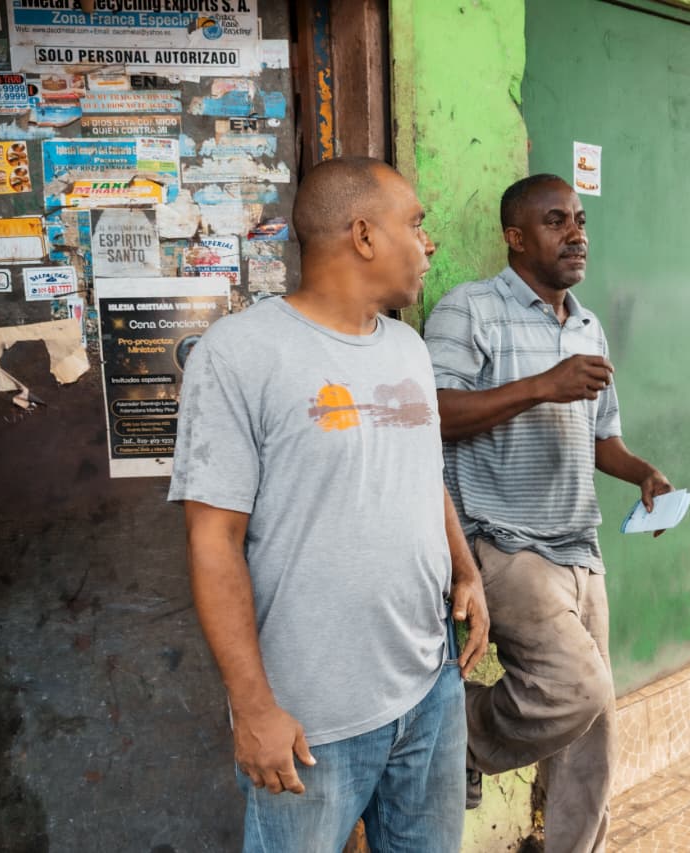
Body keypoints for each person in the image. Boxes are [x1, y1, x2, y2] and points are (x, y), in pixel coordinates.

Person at [169, 156, 489, 853]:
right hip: (311, 722)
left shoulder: (407, 347)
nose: (428, 242)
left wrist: (465, 569)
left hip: (429, 691)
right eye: (415, 224)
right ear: (364, 235)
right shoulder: (239, 354)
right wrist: (254, 710)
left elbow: (421, 470)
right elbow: (213, 541)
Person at [424, 173, 672, 852]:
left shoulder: (587, 326)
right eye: (556, 221)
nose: (576, 234)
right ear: (515, 236)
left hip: (579, 546)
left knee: (594, 731)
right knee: (575, 690)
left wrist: (641, 472)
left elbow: (601, 436)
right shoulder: (469, 310)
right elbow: (433, 413)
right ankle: (456, 733)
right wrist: (541, 386)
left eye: (580, 220)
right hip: (502, 542)